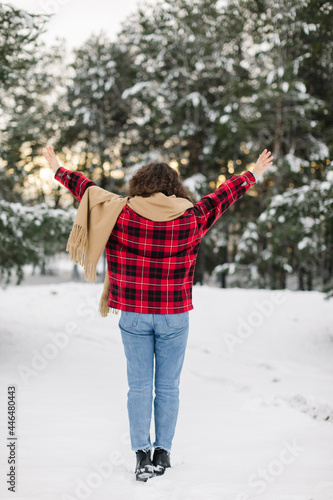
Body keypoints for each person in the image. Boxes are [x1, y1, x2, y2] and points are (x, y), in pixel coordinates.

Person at [43, 145, 273, 481]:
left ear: (140, 185)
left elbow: (87, 190)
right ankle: (162, 451)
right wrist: (252, 173)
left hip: (134, 314)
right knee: (168, 388)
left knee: (138, 388)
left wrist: (57, 168)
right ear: (175, 187)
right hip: (174, 315)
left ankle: (141, 454)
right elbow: (223, 196)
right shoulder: (192, 216)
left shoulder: (119, 213)